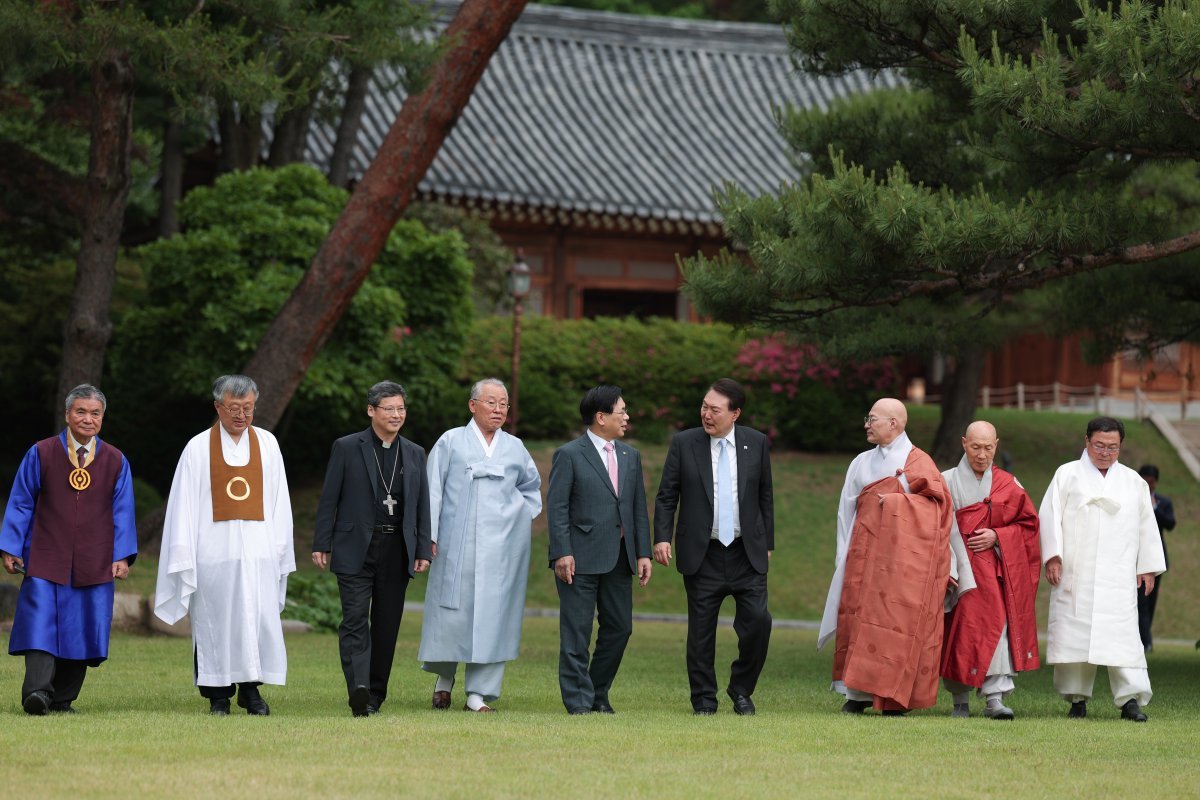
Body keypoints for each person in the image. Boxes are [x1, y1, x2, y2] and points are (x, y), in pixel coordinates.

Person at [155, 375, 296, 716]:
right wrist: (184, 552)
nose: (242, 415)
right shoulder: (198, 448)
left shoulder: (267, 444)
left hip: (257, 554)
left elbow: (280, 502)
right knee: (215, 622)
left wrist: (276, 549)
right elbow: (184, 506)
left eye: (248, 408)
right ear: (218, 407)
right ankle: (218, 694)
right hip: (213, 556)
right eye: (234, 408)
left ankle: (251, 691)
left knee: (254, 621)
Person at [1, 385, 136, 715]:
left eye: (95, 413)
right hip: (46, 554)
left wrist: (121, 555)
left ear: (102, 418)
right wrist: (11, 547)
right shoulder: (42, 453)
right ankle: (37, 692)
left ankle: (62, 699)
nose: (87, 419)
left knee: (84, 626)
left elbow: (123, 510)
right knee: (39, 622)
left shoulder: (115, 460)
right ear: (67, 414)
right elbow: (20, 502)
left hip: (96, 557)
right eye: (81, 412)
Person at [817, 398, 952, 715]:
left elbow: (939, 510)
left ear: (894, 423)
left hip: (902, 565)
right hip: (862, 555)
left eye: (872, 418)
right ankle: (857, 694)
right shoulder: (860, 463)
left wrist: (895, 504)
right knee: (859, 622)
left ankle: (892, 698)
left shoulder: (918, 462)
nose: (866, 424)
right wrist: (843, 557)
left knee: (893, 625)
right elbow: (845, 514)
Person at [419, 378, 542, 713]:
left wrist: (515, 518)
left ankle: (479, 693)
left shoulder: (515, 447)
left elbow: (531, 490)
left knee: (494, 616)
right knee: (451, 612)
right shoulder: (450, 441)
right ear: (473, 405)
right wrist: (429, 536)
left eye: (503, 404)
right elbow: (433, 489)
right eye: (491, 402)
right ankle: (444, 679)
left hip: (501, 550)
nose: (498, 409)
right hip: (454, 545)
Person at [653, 378, 773, 716]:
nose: (706, 414)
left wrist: (769, 543)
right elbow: (666, 495)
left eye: (715, 410)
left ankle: (741, 689)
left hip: (745, 552)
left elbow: (766, 496)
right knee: (701, 632)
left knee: (759, 622)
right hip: (701, 552)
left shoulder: (756, 443)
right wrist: (662, 536)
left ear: (735, 414)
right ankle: (704, 700)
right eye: (704, 407)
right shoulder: (684, 443)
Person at [312, 380, 431, 717]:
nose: (396, 415)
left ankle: (376, 693)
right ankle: (358, 689)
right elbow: (329, 498)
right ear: (371, 411)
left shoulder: (415, 453)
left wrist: (423, 548)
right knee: (353, 620)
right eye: (389, 409)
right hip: (354, 545)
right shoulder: (347, 447)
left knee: (386, 623)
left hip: (397, 547)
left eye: (401, 409)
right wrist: (322, 542)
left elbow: (422, 505)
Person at [1040, 417, 1165, 722]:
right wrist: (1053, 556)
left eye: (1113, 447)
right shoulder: (1066, 474)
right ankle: (1076, 699)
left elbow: (1146, 525)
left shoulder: (1133, 481)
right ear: (1086, 441)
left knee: (1122, 635)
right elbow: (1049, 516)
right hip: (1076, 571)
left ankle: (1130, 699)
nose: (1106, 452)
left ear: (1120, 447)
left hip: (1117, 573)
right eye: (1099, 445)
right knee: (1074, 634)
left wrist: (1146, 566)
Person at [547, 385, 652, 715]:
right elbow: (558, 506)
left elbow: (637, 508)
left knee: (621, 628)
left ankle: (597, 691)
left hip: (621, 558)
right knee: (577, 632)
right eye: (622, 411)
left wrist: (643, 553)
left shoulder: (630, 456)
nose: (627, 417)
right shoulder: (569, 454)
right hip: (578, 557)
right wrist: (562, 551)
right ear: (600, 416)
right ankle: (579, 701)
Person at [939, 421, 1041, 720]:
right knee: (959, 631)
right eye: (975, 447)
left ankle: (994, 698)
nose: (981, 454)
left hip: (994, 572)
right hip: (958, 569)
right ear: (963, 443)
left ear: (996, 445)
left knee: (998, 627)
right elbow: (934, 525)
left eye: (987, 448)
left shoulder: (1009, 483)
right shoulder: (945, 480)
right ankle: (960, 700)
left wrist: (998, 536)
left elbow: (1029, 526)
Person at [1135, 464, 1175, 653]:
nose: (1147, 485)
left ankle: (1145, 638)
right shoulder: (1132, 500)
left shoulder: (1163, 502)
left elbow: (1170, 524)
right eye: (1144, 481)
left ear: (1156, 483)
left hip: (1157, 559)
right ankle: (1146, 642)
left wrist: (1154, 507)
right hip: (1136, 559)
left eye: (1150, 482)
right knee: (1141, 601)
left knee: (1150, 602)